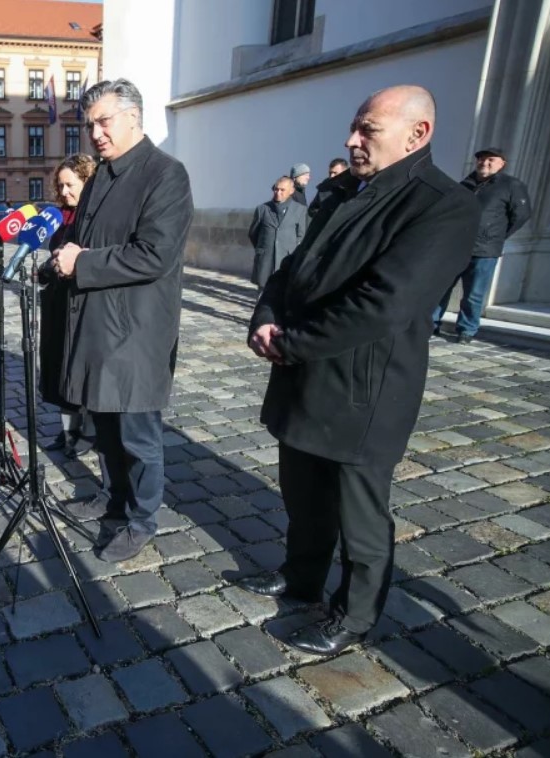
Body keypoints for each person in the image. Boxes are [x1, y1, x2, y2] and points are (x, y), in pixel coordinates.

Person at [241, 85, 481, 656]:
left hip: (364, 389)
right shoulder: (343, 189)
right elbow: (291, 266)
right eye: (354, 126)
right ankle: (301, 579)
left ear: (416, 134)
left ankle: (353, 616)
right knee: (303, 494)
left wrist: (292, 343)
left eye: (367, 129)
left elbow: (385, 303)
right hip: (304, 370)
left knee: (359, 515)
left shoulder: (443, 205)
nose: (351, 140)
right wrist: (267, 315)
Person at [53, 79, 194, 563]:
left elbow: (153, 255)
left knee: (137, 435)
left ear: (134, 117)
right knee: (104, 425)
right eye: (89, 124)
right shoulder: (100, 177)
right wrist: (63, 258)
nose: (94, 132)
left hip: (136, 331)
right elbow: (84, 239)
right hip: (95, 324)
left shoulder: (166, 175)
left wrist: (83, 263)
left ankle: (140, 518)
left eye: (104, 121)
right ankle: (112, 496)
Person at [432, 147, 531, 343]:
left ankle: (466, 330)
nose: (484, 163)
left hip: (485, 251)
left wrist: (496, 236)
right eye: (481, 160)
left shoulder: (511, 185)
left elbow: (521, 215)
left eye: (490, 160)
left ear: (502, 164)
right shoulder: (465, 184)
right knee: (440, 288)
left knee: (474, 295)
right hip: (456, 248)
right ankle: (431, 324)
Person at [41, 154, 96, 459]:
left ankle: (88, 433)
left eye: (70, 185)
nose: (63, 192)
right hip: (58, 304)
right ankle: (67, 432)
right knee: (60, 370)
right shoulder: (59, 216)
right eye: (59, 186)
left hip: (84, 307)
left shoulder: (95, 217)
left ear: (87, 182)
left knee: (81, 373)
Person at [248, 176, 307, 290]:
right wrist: (263, 248)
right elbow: (253, 233)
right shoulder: (262, 209)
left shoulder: (299, 210)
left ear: (291, 191)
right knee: (262, 295)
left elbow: (301, 235)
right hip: (266, 261)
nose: (278, 192)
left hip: (286, 261)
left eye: (282, 190)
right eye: (276, 189)